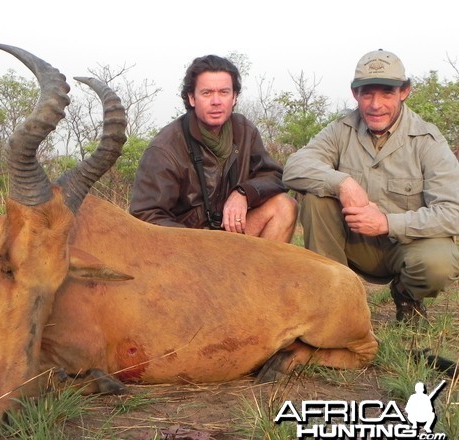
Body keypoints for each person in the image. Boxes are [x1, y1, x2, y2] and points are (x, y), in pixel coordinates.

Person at [283, 49, 459, 323]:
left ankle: (406, 295)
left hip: (405, 245)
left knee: (439, 263)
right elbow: (294, 167)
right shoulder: (340, 130)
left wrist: (387, 223)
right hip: (351, 242)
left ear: (404, 92)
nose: (375, 104)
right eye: (367, 93)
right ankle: (333, 301)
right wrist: (343, 183)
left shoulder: (428, 140)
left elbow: (453, 212)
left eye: (386, 93)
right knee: (315, 196)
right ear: (355, 94)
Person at [129, 55, 297, 242]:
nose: (216, 101)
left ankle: (260, 271)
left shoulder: (244, 130)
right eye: (207, 93)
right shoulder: (164, 148)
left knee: (285, 206)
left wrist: (243, 193)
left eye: (224, 92)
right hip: (187, 245)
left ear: (234, 97)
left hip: (231, 234)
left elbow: (274, 176)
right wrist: (201, 242)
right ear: (192, 98)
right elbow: (145, 216)